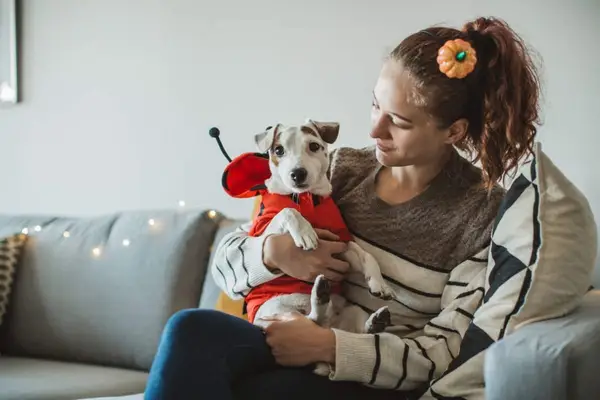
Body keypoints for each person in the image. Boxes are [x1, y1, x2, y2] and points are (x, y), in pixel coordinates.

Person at [144, 16, 541, 400]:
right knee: (190, 329)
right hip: (287, 330)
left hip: (370, 375)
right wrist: (272, 252)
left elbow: (444, 352)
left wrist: (330, 347)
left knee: (261, 391)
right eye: (375, 106)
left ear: (453, 131)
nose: (373, 130)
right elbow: (225, 266)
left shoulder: (480, 214)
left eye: (398, 122)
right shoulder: (340, 169)